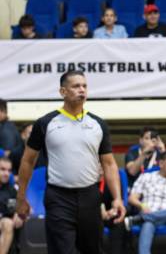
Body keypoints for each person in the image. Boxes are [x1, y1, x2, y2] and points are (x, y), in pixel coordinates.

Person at [15, 71, 125, 254]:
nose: (82, 90)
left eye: (84, 86)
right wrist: (21, 198)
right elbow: (27, 161)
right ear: (63, 91)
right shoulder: (45, 123)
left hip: (90, 196)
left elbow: (109, 164)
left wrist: (117, 198)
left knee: (92, 249)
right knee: (62, 250)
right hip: (58, 197)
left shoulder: (98, 124)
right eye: (76, 86)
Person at [127, 151, 166, 254]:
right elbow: (132, 198)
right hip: (149, 213)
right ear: (161, 164)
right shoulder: (146, 177)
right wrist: (141, 205)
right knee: (148, 223)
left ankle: (139, 219)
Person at [0, 157, 21, 254]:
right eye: (2, 169)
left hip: (2, 222)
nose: (6, 174)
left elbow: (11, 211)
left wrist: (17, 213)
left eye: (9, 170)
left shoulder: (11, 190)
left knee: (9, 223)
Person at [0, 102, 23, 174]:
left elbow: (6, 154)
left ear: (2, 111)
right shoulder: (6, 126)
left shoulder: (7, 129)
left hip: (8, 174)